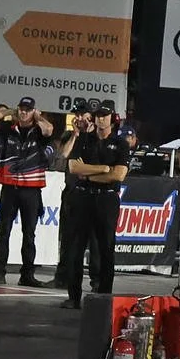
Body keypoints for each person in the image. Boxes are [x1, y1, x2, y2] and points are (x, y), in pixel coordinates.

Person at [56, 103, 130, 310]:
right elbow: (73, 167)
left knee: (106, 248)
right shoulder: (85, 139)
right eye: (98, 115)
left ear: (112, 118)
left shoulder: (120, 143)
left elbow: (119, 175)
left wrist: (89, 172)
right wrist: (104, 169)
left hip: (106, 199)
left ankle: (104, 296)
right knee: (75, 248)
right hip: (83, 197)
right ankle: (73, 296)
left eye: (104, 116)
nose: (100, 119)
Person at [0, 96, 55, 287]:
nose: (23, 112)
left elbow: (49, 129)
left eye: (27, 109)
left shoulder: (39, 130)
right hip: (9, 187)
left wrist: (37, 117)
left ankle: (27, 275)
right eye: (21, 109)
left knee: (29, 233)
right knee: (3, 230)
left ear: (33, 111)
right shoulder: (8, 129)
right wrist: (9, 111)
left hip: (31, 189)